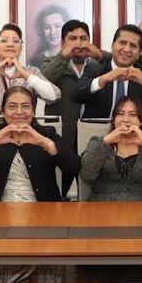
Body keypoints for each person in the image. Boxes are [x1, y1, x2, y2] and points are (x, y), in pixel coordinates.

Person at [0, 86, 79, 283]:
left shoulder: (46, 132)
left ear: (33, 110)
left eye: (25, 106)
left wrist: (44, 143)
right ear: (2, 111)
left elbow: (73, 166)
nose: (19, 112)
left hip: (43, 214)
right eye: (12, 106)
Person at [40, 20, 104, 195]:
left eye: (83, 38)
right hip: (62, 137)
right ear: (62, 43)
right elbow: (43, 80)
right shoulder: (51, 63)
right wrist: (63, 55)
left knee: (92, 191)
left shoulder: (98, 64)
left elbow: (117, 66)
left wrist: (100, 56)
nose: (79, 43)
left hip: (94, 136)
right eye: (72, 38)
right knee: (58, 189)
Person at [79, 96, 142, 200]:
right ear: (114, 120)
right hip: (101, 208)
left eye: (132, 115)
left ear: (141, 121)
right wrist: (106, 141)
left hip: (141, 210)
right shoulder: (98, 142)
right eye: (120, 114)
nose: (126, 120)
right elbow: (87, 175)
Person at [75, 24, 142, 120]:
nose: (127, 49)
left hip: (132, 132)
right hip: (97, 131)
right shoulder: (96, 67)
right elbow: (77, 94)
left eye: (133, 46)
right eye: (122, 43)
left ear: (139, 53)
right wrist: (104, 79)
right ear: (113, 46)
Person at [0, 23, 61, 116]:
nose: (10, 44)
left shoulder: (32, 72)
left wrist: (26, 76)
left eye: (16, 41)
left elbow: (54, 96)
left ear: (21, 48)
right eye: (4, 40)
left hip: (24, 131)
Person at [27, 4, 71, 68]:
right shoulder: (35, 62)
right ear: (41, 30)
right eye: (47, 27)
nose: (52, 32)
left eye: (57, 26)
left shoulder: (75, 58)